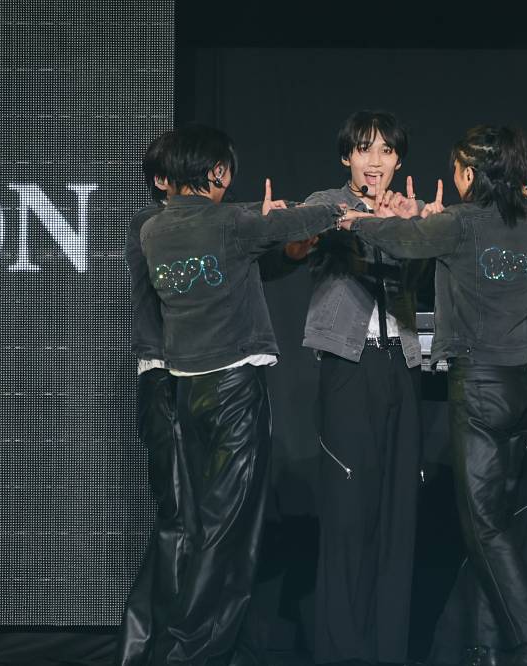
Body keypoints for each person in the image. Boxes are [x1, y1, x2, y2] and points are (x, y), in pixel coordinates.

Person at [339, 125, 527, 666]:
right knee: (495, 526)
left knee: (482, 527)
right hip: (525, 392)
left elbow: (399, 241)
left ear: (469, 174)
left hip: (481, 386)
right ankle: (485, 649)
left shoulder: (460, 224)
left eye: (459, 169)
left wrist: (359, 218)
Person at [139, 123, 350, 665]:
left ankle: (198, 647)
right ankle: (185, 651)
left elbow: (250, 249)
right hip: (234, 392)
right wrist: (347, 207)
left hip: (188, 393)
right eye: (227, 170)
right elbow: (292, 221)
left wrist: (268, 219)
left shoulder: (155, 231)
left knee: (206, 527)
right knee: (227, 532)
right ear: (218, 171)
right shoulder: (230, 222)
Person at [301, 110, 425, 665]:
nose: (375, 161)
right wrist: (352, 222)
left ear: (398, 161)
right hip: (348, 364)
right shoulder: (327, 204)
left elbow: (426, 279)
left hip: (402, 363)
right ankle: (342, 653)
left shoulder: (408, 210)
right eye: (364, 149)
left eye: (386, 151)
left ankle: (387, 651)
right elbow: (296, 248)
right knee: (349, 516)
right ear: (346, 156)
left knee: (398, 514)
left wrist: (414, 229)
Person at [116, 129, 192, 666]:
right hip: (164, 379)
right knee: (177, 517)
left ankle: (174, 644)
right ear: (163, 181)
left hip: (205, 379)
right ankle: (144, 647)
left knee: (199, 521)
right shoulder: (150, 225)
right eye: (187, 173)